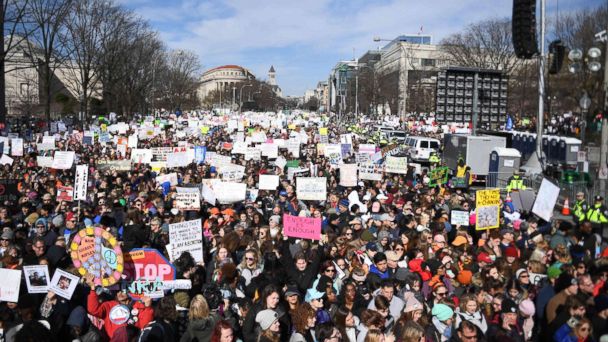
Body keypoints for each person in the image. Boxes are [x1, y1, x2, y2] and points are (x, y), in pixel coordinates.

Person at [85, 274, 154, 339]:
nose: (120, 293)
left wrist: (148, 307)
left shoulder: (139, 307)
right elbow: (93, 310)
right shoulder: (109, 306)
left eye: (123, 290)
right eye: (118, 291)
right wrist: (93, 289)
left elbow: (145, 326)